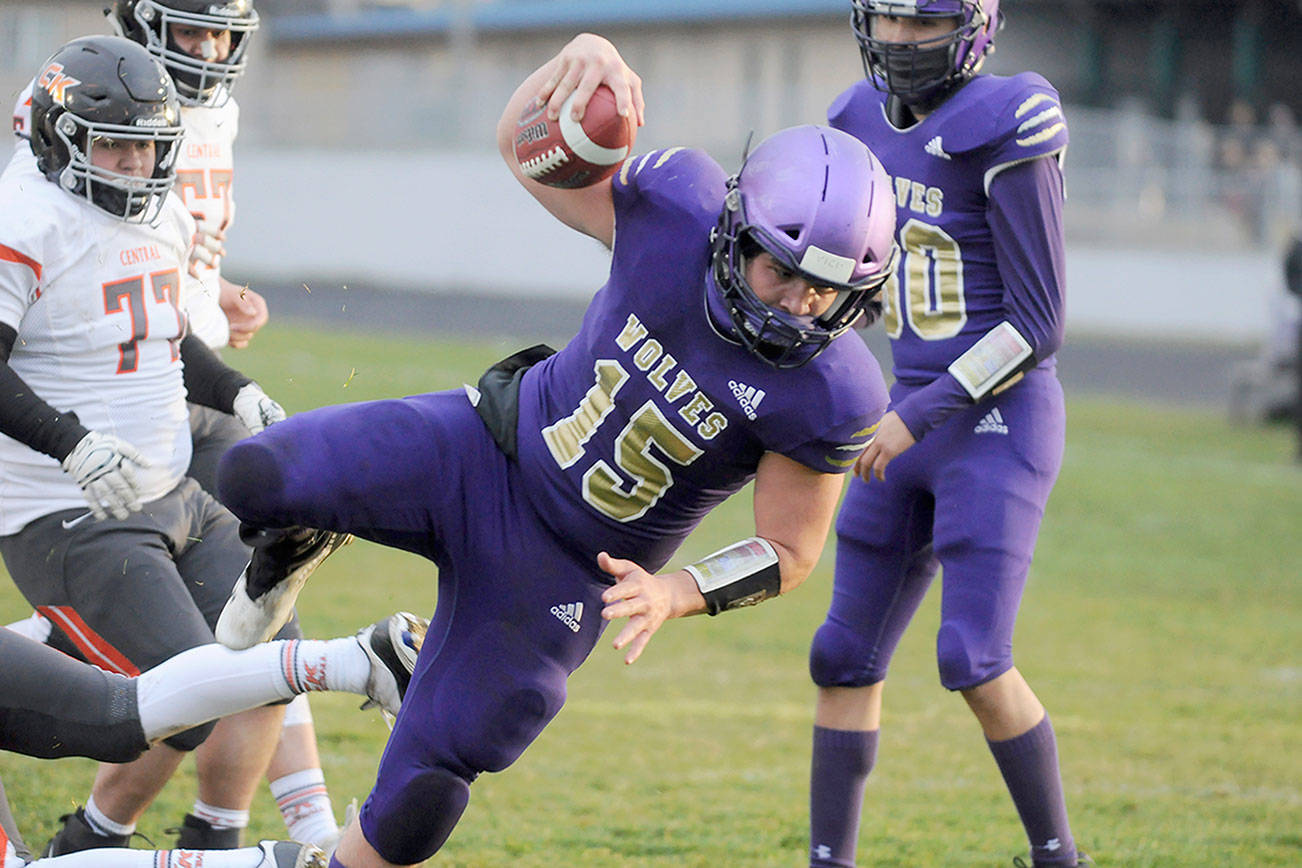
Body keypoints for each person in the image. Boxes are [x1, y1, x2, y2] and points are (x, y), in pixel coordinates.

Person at [206, 32, 898, 868]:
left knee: (436, 781)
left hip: (564, 569)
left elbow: (791, 549)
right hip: (482, 447)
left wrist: (676, 592)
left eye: (824, 291)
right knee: (254, 473)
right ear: (735, 231)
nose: (795, 306)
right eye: (779, 271)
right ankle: (302, 533)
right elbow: (521, 146)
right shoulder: (677, 208)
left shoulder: (832, 391)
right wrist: (582, 56)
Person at [6, 2, 345, 851]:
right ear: (60, 139)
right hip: (72, 512)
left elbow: (166, 335)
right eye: (113, 145)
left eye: (149, 147)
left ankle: (128, 840)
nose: (134, 165)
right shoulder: (25, 219)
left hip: (174, 491)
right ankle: (35, 649)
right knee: (179, 708)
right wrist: (69, 441)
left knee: (263, 657)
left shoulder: (154, 211)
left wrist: (238, 392)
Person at [805, 3, 1088, 867]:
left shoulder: (1012, 117)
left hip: (994, 421)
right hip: (903, 415)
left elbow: (1039, 324)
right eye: (885, 20)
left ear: (971, 27)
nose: (897, 41)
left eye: (919, 24)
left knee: (972, 655)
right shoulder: (854, 120)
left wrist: (915, 412)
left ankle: (1058, 858)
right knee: (841, 654)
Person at [0, 610, 425, 866]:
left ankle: (355, 661)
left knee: (125, 710)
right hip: (155, 498)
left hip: (86, 515)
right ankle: (356, 659)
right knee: (128, 708)